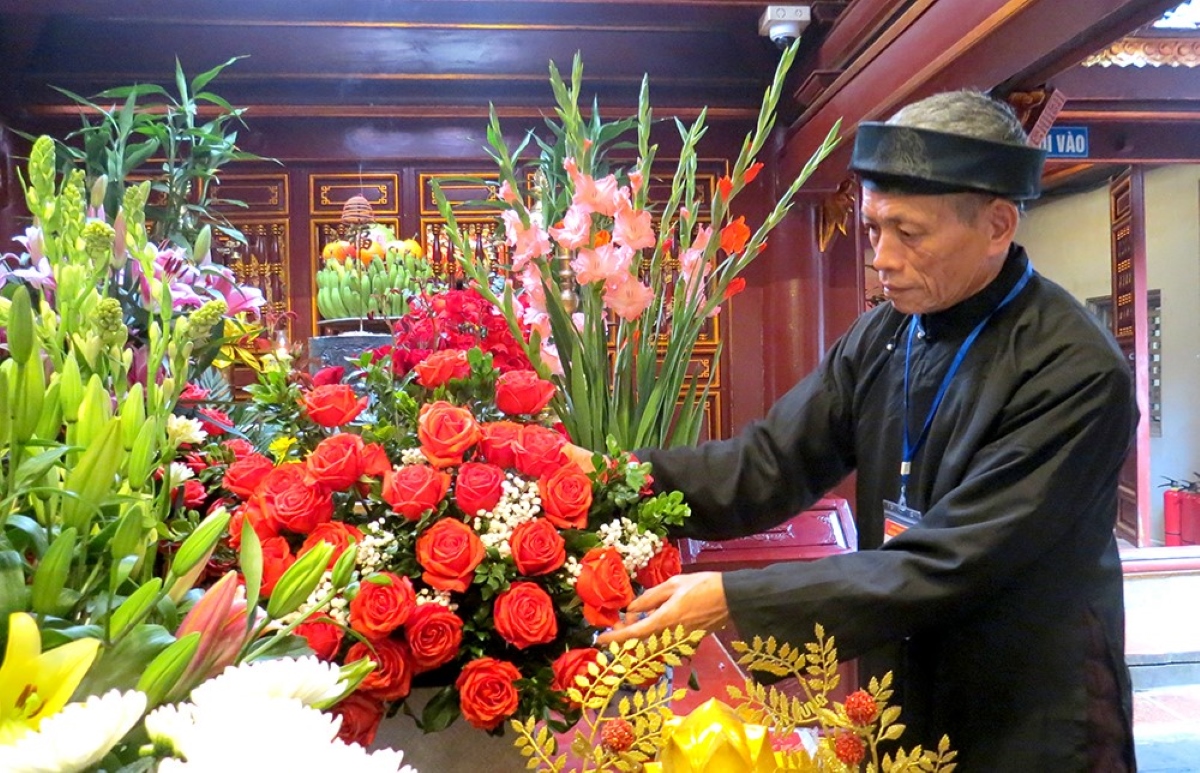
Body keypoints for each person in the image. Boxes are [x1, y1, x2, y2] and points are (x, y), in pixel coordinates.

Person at [596, 91, 1138, 771]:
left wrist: (732, 598)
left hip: (1027, 701)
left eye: (909, 233)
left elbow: (953, 561)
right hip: (901, 677)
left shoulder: (1074, 368)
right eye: (874, 227)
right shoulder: (886, 333)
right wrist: (606, 479)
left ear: (998, 224)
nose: (881, 258)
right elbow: (767, 463)